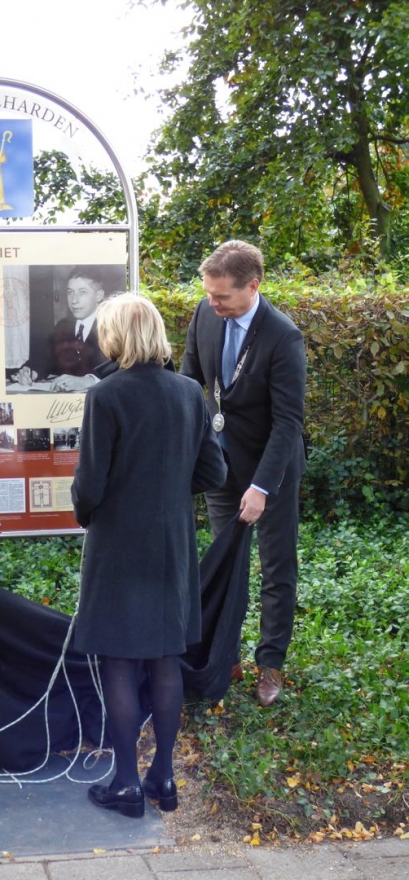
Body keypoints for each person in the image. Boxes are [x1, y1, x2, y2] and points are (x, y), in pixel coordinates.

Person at [71, 294, 227, 818]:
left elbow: (89, 487)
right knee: (165, 658)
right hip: (173, 544)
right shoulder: (188, 393)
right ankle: (163, 775)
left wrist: (90, 512)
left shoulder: (106, 396)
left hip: (119, 544)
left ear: (114, 336)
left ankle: (124, 782)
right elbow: (216, 474)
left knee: (120, 657)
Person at [180, 240, 306, 707]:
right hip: (220, 469)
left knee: (276, 569)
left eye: (223, 297)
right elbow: (192, 384)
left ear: (253, 287)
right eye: (209, 295)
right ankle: (224, 655)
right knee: (225, 565)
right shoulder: (203, 314)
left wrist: (261, 487)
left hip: (270, 472)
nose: (213, 304)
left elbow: (289, 423)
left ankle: (270, 663)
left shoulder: (283, 336)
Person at [13, 266, 109, 392]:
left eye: (82, 292)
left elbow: (119, 368)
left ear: (99, 296)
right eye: (70, 292)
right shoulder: (63, 326)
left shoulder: (111, 327)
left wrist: (88, 380)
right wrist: (31, 372)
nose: (74, 300)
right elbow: (44, 360)